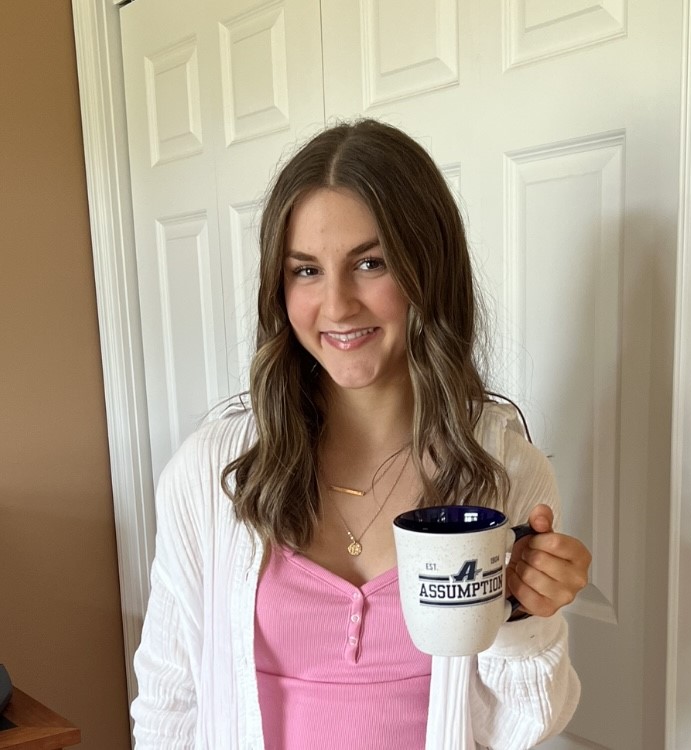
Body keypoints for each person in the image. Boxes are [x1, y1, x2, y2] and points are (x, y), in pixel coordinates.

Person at [131, 118, 592, 749]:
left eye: (369, 263)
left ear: (427, 267)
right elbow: (169, 701)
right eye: (306, 271)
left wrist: (524, 619)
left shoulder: (504, 471)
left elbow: (521, 730)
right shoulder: (212, 473)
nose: (338, 305)